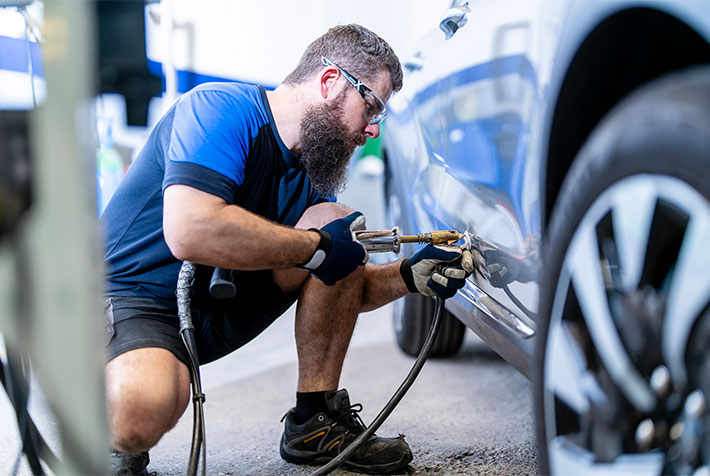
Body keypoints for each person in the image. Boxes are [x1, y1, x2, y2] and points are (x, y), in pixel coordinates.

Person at [102, 24, 469, 476]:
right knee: (143, 407)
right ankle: (111, 434)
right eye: (371, 105)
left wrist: (408, 276)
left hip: (215, 309)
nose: (372, 130)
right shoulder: (220, 109)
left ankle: (314, 422)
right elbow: (190, 230)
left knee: (339, 226)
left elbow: (339, 273)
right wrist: (316, 248)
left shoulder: (311, 172)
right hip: (133, 299)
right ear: (331, 82)